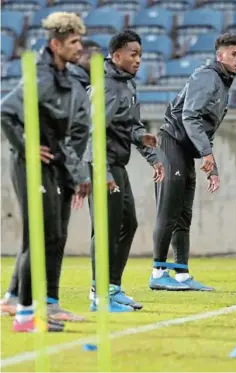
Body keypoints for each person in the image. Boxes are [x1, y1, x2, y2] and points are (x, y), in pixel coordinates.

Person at [1, 12, 92, 332]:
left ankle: (39, 307)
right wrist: (25, 147)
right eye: (74, 42)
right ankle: (25, 315)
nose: (79, 47)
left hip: (53, 163)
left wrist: (75, 171)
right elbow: (6, 112)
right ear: (56, 44)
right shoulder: (39, 76)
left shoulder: (64, 76)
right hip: (29, 164)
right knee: (37, 238)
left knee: (53, 236)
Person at [149, 33, 236, 291]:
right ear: (220, 55)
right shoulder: (207, 76)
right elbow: (190, 116)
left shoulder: (223, 83)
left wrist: (211, 168)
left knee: (184, 214)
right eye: (234, 54)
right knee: (169, 210)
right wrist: (206, 155)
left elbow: (205, 128)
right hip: (172, 143)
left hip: (186, 150)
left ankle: (181, 274)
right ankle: (158, 273)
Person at [86, 29, 164, 312]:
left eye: (140, 54)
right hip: (101, 164)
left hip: (117, 163)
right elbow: (93, 132)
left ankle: (112, 288)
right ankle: (99, 295)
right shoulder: (106, 85)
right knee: (105, 230)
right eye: (134, 54)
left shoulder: (127, 85)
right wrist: (102, 172)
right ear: (116, 55)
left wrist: (152, 155)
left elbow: (131, 126)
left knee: (127, 223)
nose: (138, 60)